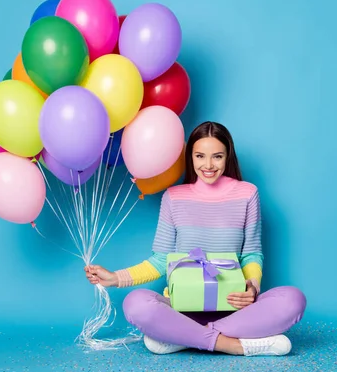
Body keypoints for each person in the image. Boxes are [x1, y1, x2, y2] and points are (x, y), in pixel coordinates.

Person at [84, 121, 307, 356]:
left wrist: (252, 286)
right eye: (200, 156)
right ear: (190, 157)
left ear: (227, 157)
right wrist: (115, 278)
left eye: (217, 157)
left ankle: (182, 337)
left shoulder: (247, 193)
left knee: (293, 300)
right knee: (136, 304)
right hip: (181, 308)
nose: (208, 165)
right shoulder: (174, 198)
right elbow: (161, 260)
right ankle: (231, 344)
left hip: (234, 309)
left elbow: (251, 253)